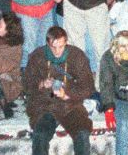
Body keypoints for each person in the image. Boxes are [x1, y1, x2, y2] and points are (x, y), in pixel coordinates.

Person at [24, 26, 94, 155]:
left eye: (61, 46)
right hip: (45, 105)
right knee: (40, 136)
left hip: (70, 105)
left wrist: (67, 94)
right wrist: (41, 83)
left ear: (66, 42)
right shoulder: (38, 55)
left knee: (82, 134)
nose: (57, 51)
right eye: (53, 47)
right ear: (47, 44)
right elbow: (26, 84)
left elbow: (88, 87)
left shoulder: (76, 56)